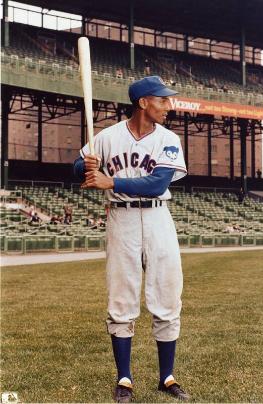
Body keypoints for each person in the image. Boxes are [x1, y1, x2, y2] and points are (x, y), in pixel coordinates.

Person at [73, 76, 189, 403]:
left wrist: (108, 179)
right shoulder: (108, 136)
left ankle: (167, 376)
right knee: (121, 297)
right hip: (121, 217)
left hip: (157, 216)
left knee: (167, 294)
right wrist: (86, 166)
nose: (169, 106)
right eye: (162, 100)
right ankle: (124, 377)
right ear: (143, 103)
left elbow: (156, 184)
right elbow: (76, 167)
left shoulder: (168, 138)